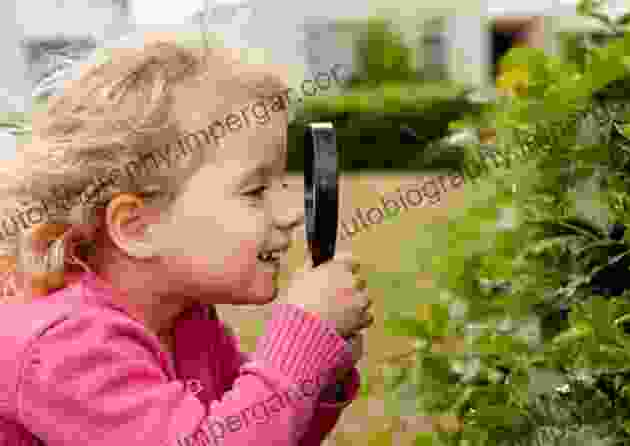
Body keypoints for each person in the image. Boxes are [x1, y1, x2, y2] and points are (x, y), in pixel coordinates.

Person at [0, 31, 373, 446]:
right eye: (254, 191)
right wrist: (300, 343)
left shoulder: (187, 323)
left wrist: (319, 374)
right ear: (137, 227)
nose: (289, 216)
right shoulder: (66, 347)